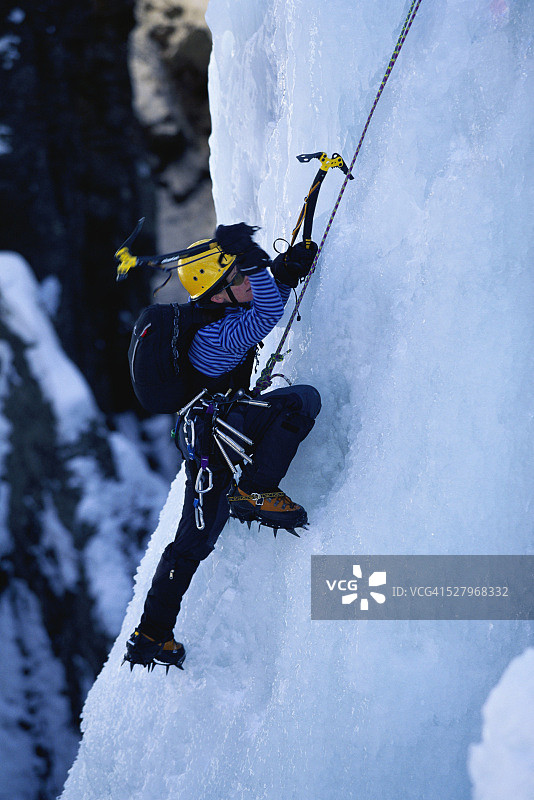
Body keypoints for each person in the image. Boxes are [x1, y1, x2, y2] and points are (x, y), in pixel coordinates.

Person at [124, 223, 321, 671]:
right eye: (235, 278)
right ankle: (256, 488)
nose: (245, 280)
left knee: (191, 541)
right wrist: (255, 260)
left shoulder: (212, 318)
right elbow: (264, 313)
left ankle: (151, 633)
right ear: (216, 296)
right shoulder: (213, 341)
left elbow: (254, 303)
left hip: (210, 437)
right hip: (219, 434)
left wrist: (280, 270)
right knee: (301, 402)